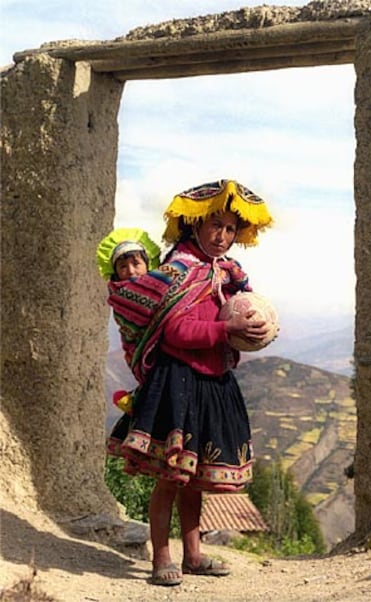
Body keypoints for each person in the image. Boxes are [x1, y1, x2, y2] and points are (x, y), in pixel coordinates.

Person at [107, 179, 273, 587]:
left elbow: (240, 310)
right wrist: (226, 327)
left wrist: (256, 324)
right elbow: (177, 332)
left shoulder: (226, 274)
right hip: (178, 383)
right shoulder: (177, 272)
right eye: (215, 225)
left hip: (212, 382)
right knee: (170, 477)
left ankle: (194, 555)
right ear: (193, 225)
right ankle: (162, 558)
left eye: (231, 229)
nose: (223, 236)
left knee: (194, 479)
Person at [96, 227, 161, 455]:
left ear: (148, 264)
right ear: (115, 273)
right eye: (123, 267)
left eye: (136, 263)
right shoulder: (122, 296)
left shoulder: (160, 286)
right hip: (145, 356)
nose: (130, 271)